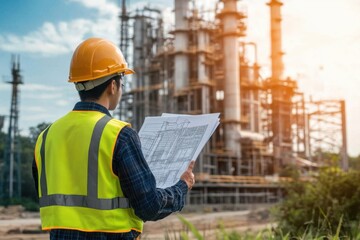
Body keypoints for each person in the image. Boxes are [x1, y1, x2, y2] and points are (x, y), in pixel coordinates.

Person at [32, 37, 195, 240]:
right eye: (122, 82)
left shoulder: (45, 137)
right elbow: (149, 207)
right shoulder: (119, 135)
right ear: (112, 86)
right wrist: (182, 187)